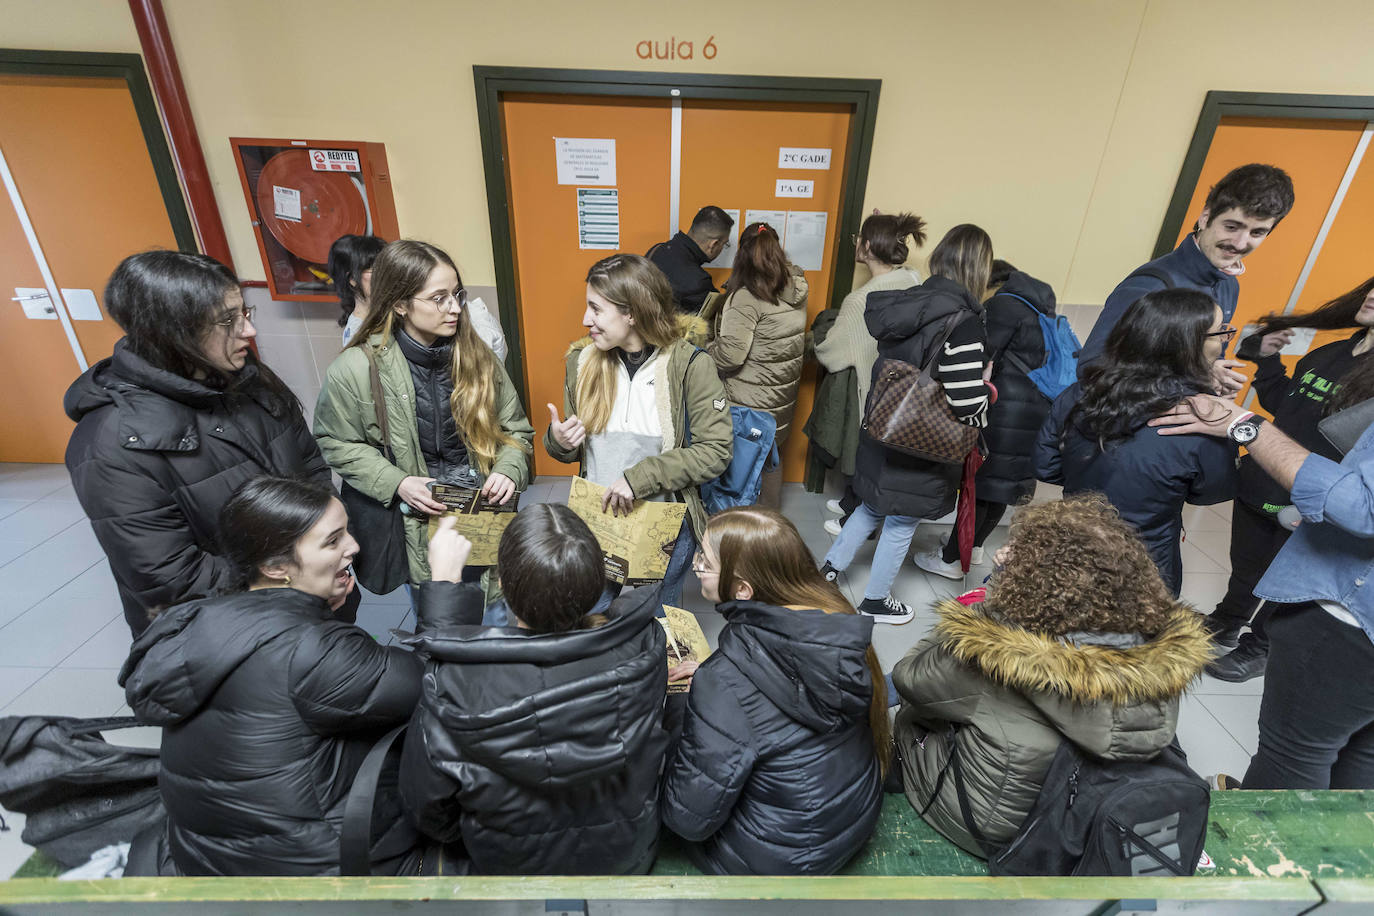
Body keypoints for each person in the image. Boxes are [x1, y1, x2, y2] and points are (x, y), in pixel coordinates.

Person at [120, 476, 454, 876]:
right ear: (276, 566)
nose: (354, 547)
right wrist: (445, 584)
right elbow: (438, 683)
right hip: (313, 873)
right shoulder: (313, 649)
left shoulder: (197, 619)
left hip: (206, 857)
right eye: (333, 541)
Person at [892, 495, 1212, 856]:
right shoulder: (1155, 647)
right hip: (1080, 820)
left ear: (1032, 582)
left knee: (907, 717)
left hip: (993, 828)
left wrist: (992, 601)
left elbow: (911, 678)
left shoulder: (997, 656)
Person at [64, 250, 330, 637]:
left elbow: (309, 463)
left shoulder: (247, 379)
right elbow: (174, 578)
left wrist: (328, 554)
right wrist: (299, 583)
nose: (249, 331)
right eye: (227, 320)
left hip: (307, 600)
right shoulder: (111, 446)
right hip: (228, 632)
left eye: (245, 313)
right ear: (171, 331)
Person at [399, 505, 669, 874]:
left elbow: (430, 813)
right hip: (627, 858)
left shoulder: (453, 685)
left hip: (507, 868)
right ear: (594, 585)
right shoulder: (644, 647)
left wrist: (445, 584)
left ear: (506, 589)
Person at [1151, 384, 1374, 790]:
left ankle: (1260, 847)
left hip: (1353, 617)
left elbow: (1359, 507)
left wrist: (1244, 424)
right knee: (1358, 760)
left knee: (1295, 755)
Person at [660, 507, 887, 875]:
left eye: (705, 561)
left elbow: (686, 819)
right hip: (849, 823)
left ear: (743, 590)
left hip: (778, 860)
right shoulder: (835, 620)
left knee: (673, 711)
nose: (696, 566)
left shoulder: (723, 681)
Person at [314, 240, 534, 586]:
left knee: (492, 609)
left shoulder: (480, 359)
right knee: (437, 617)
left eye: (457, 295)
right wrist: (396, 482)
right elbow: (337, 442)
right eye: (438, 298)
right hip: (416, 521)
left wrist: (508, 470)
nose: (455, 309)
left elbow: (516, 431)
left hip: (480, 514)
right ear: (400, 303)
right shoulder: (355, 368)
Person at [820, 224, 994, 624]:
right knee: (900, 520)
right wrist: (986, 400)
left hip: (883, 425)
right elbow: (966, 401)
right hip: (924, 440)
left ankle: (828, 571)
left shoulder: (904, 303)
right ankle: (875, 601)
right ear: (979, 270)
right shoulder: (964, 323)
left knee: (871, 503)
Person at [1204, 276, 1374, 681]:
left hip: (1313, 498)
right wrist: (1266, 362)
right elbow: (1288, 406)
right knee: (1247, 568)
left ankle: (1260, 645)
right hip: (1263, 481)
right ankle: (1228, 619)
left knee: (1288, 577)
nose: (1371, 295)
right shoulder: (1331, 352)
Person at [545, 253, 732, 610]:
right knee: (591, 614)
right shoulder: (580, 362)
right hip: (596, 521)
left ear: (631, 312)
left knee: (657, 619)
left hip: (661, 522)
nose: (586, 320)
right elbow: (568, 449)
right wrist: (560, 441)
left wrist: (639, 478)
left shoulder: (689, 365)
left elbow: (716, 452)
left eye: (596, 309)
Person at [1034, 288, 1238, 596]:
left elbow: (1045, 465)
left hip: (1070, 546)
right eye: (1220, 331)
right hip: (1145, 564)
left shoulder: (1081, 392)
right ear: (1187, 343)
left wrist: (1093, 478)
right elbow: (1209, 492)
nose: (1224, 340)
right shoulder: (1204, 417)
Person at [1080, 163, 1295, 396]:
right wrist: (1196, 380)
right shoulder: (1151, 285)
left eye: (1257, 233)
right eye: (1232, 227)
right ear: (1205, 217)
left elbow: (1206, 359)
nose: (1241, 243)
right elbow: (1092, 371)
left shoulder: (1229, 285)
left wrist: (1215, 379)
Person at [916, 261, 1060, 578]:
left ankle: (952, 559)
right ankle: (975, 546)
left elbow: (981, 354)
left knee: (980, 485)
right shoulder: (1042, 310)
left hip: (1004, 409)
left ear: (994, 282)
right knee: (1003, 486)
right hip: (1036, 410)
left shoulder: (1003, 305)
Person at [815, 211, 927, 535]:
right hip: (906, 386)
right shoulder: (912, 281)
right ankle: (852, 504)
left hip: (872, 388)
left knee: (864, 454)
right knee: (882, 458)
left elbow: (832, 355)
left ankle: (856, 521)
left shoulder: (860, 300)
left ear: (865, 246)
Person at [707, 221, 808, 508]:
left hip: (748, 401)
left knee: (739, 467)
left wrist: (704, 349)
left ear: (741, 254)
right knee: (770, 457)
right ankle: (769, 518)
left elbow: (731, 355)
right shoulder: (795, 287)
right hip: (780, 401)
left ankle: (740, 529)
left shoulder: (747, 296)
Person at [647, 205, 735, 313]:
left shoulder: (657, 249)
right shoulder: (698, 281)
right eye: (725, 244)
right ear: (714, 244)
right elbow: (718, 316)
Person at [328, 234, 386, 347]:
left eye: (384, 265)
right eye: (373, 268)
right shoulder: (357, 334)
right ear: (352, 279)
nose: (384, 273)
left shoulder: (384, 315)